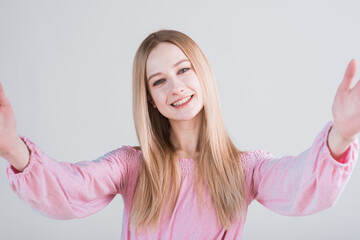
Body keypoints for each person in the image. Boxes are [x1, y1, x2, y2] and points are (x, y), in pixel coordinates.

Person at [0, 29, 359, 240]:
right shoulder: (130, 165)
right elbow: (69, 189)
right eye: (159, 81)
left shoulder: (247, 169)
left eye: (183, 69)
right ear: (152, 100)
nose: (176, 87)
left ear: (202, 75)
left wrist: (340, 137)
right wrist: (14, 149)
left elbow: (301, 185)